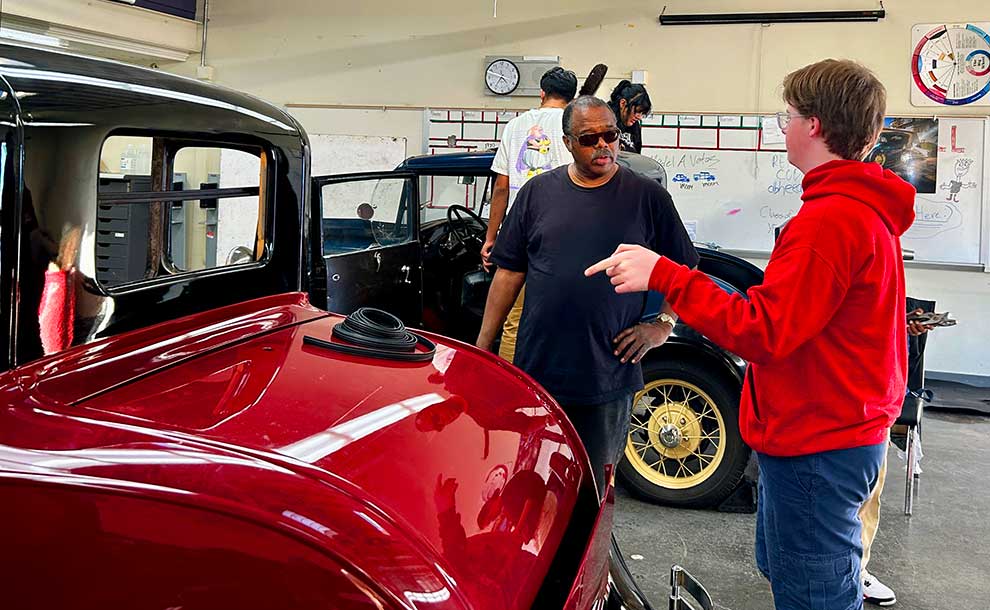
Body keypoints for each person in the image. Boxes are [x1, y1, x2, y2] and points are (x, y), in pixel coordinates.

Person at [586, 59, 916, 610]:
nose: (781, 127)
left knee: (815, 596)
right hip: (830, 430)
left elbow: (762, 331)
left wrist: (664, 274)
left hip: (819, 443)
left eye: (787, 116)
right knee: (794, 573)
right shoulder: (856, 210)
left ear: (813, 125)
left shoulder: (830, 222)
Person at [476, 95, 699, 495]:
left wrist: (662, 326)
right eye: (589, 138)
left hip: (606, 375)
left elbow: (686, 268)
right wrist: (482, 345)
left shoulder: (647, 198)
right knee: (531, 483)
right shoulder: (536, 194)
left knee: (592, 493)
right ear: (567, 143)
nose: (603, 146)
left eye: (611, 135)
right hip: (538, 370)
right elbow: (509, 272)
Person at [481, 66, 578, 362]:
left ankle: (510, 389)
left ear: (542, 93)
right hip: (563, 230)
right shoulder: (572, 124)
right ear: (572, 98)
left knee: (513, 321)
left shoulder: (515, 125)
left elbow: (501, 186)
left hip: (520, 229)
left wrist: (490, 236)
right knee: (562, 317)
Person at [607, 80, 652, 154]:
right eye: (637, 111)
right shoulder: (604, 122)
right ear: (623, 103)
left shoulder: (635, 127)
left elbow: (637, 155)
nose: (639, 117)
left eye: (642, 113)